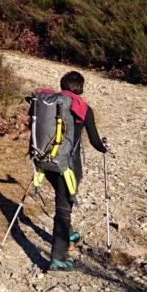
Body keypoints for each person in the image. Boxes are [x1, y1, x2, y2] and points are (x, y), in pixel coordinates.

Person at [46, 70, 109, 271]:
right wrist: (104, 148)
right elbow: (95, 141)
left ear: (62, 84)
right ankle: (58, 257)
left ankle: (69, 234)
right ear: (80, 88)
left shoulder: (49, 102)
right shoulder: (83, 108)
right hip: (69, 166)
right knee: (63, 208)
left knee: (61, 197)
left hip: (45, 161)